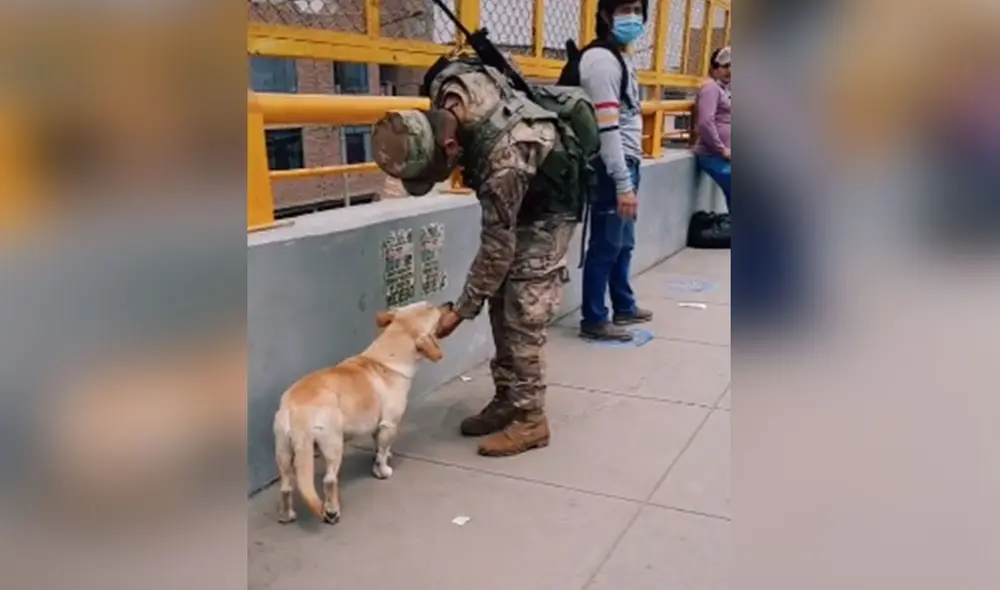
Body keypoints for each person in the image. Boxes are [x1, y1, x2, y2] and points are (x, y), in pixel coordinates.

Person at [369, 59, 578, 457]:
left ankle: (532, 419)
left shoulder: (505, 159)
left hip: (550, 209)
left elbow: (498, 248)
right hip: (521, 194)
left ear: (448, 147)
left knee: (523, 311)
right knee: (498, 300)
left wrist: (459, 311)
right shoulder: (445, 91)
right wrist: (476, 300)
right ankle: (507, 400)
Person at [578, 0, 654, 342]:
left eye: (638, 9)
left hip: (627, 161)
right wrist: (623, 183)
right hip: (612, 166)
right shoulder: (601, 61)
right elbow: (607, 128)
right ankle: (594, 318)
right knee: (606, 244)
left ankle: (623, 306)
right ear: (606, 15)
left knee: (624, 242)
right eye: (624, 10)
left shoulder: (621, 56)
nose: (633, 17)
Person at [694, 46, 732, 211]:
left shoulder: (724, 90)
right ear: (714, 68)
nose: (729, 71)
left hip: (723, 156)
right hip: (712, 155)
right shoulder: (711, 88)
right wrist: (721, 149)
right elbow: (705, 122)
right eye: (725, 66)